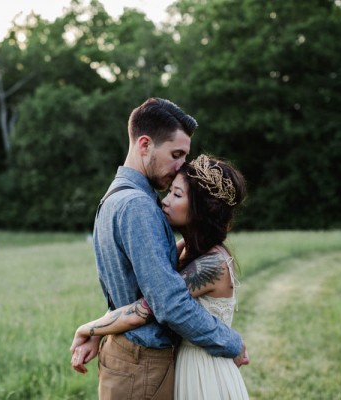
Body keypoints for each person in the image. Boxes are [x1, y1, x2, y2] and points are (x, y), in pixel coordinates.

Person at [69, 98, 248, 400]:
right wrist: (232, 342)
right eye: (176, 154)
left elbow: (133, 293)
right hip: (143, 362)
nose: (182, 166)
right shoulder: (138, 206)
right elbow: (168, 303)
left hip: (130, 355)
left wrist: (95, 330)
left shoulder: (116, 197)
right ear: (144, 145)